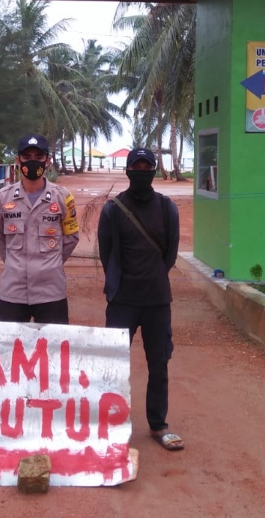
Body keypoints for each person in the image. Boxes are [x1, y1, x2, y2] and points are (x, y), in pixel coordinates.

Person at [97, 147, 183, 451]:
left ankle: (158, 425)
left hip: (157, 301)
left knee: (159, 364)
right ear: (128, 170)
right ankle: (110, 424)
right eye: (137, 167)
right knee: (113, 365)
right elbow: (106, 253)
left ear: (154, 171)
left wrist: (154, 277)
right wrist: (119, 284)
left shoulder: (167, 208)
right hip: (122, 301)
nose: (142, 172)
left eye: (148, 167)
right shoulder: (113, 209)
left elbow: (170, 253)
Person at [0, 133, 79, 323]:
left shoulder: (63, 197)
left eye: (38, 157)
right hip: (12, 291)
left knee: (53, 342)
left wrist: (52, 263)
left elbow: (71, 237)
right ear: (18, 160)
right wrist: (14, 263)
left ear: (47, 161)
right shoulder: (2, 198)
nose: (33, 162)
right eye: (27, 157)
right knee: (9, 342)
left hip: (51, 292)